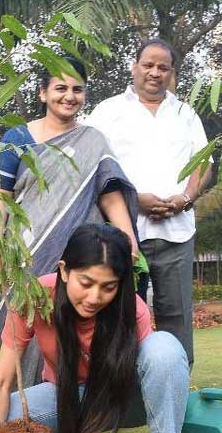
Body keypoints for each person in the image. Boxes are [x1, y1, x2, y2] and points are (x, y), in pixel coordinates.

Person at [0, 224, 194, 433]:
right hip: (67, 398)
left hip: (123, 399)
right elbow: (0, 382)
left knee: (165, 348)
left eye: (108, 287)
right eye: (86, 283)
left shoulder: (130, 310)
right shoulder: (34, 298)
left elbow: (111, 393)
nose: (95, 297)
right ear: (63, 270)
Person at [87, 38, 209, 366]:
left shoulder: (185, 113)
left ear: (172, 73)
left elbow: (204, 163)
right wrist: (133, 199)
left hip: (177, 233)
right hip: (125, 235)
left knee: (177, 318)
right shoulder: (108, 112)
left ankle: (177, 391)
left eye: (163, 67)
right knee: (122, 316)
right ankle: (123, 397)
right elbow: (93, 165)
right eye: (148, 65)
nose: (155, 73)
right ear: (134, 66)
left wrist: (186, 197)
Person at [0, 57, 139, 278]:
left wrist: (128, 242)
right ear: (43, 93)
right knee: (24, 312)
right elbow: (0, 198)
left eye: (77, 89)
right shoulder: (16, 139)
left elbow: (110, 198)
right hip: (25, 253)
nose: (70, 96)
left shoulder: (94, 141)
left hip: (83, 257)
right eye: (61, 88)